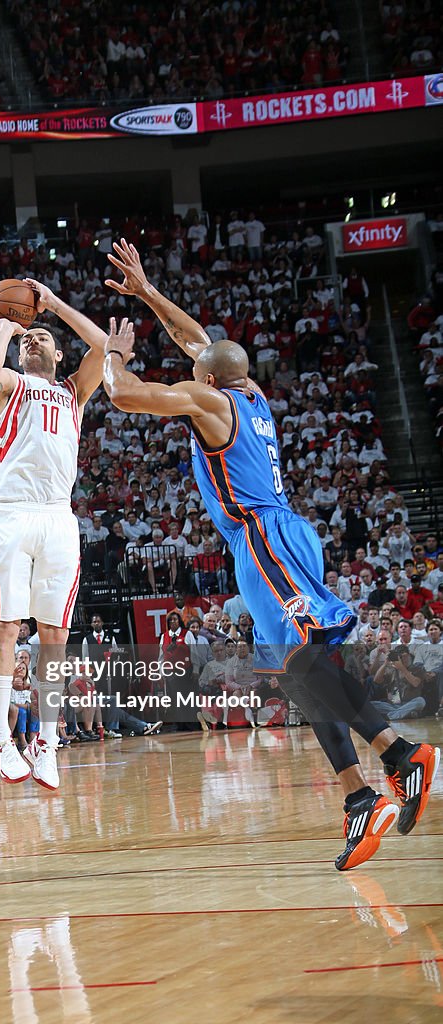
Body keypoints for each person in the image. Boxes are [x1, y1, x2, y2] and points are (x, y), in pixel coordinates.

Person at [102, 238, 439, 871]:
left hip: (263, 539)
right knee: (301, 670)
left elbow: (125, 395)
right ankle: (367, 788)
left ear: (205, 378)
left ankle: (394, 759)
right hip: (282, 533)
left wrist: (113, 356)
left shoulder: (209, 401)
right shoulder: (248, 391)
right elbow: (197, 340)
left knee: (306, 664)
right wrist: (146, 293)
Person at [0, 276, 105, 790]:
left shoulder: (73, 391)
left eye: (41, 337)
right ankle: (2, 740)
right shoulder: (10, 384)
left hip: (58, 517)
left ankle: (46, 741)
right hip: (10, 514)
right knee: (6, 627)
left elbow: (101, 346)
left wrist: (52, 305)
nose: (35, 339)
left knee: (55, 635)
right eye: (30, 337)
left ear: (56, 352)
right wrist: (6, 327)